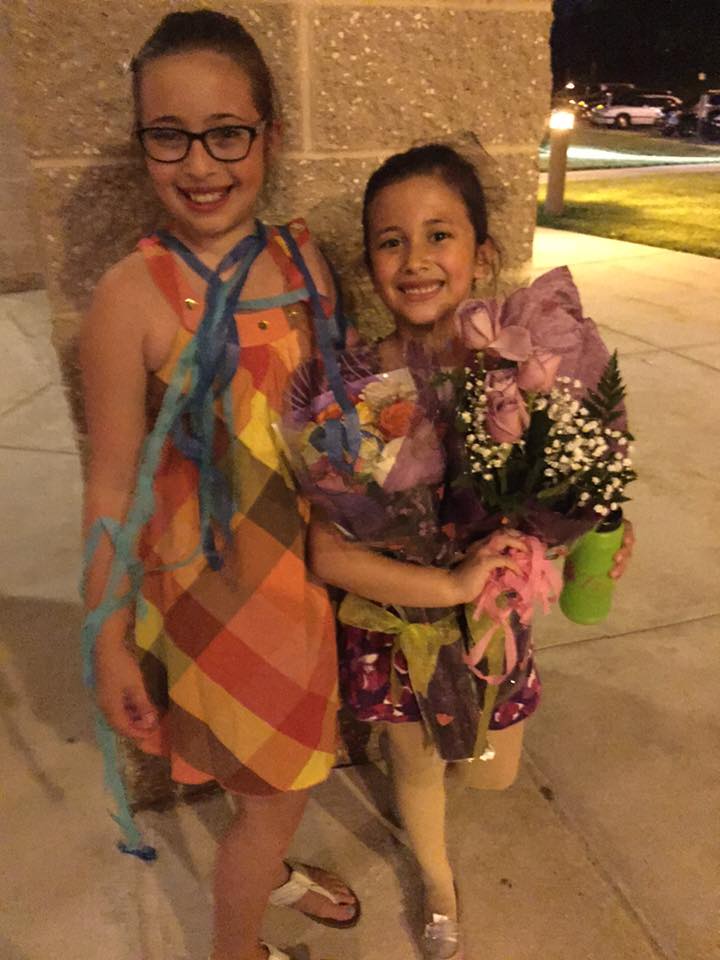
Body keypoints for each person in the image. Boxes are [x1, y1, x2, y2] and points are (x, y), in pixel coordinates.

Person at [293, 144, 635, 960]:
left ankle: (448, 784)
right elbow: (327, 554)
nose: (415, 261)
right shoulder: (354, 393)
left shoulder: (528, 367)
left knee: (489, 769)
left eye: (438, 235)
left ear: (481, 250)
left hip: (494, 627)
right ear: (370, 258)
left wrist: (599, 526)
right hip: (405, 628)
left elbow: (589, 469)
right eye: (390, 240)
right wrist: (448, 583)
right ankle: (437, 878)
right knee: (416, 768)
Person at [80, 11, 362, 960]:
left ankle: (268, 867)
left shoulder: (301, 260)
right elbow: (112, 487)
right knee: (276, 802)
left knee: (271, 783)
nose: (200, 164)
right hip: (220, 607)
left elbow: (332, 420)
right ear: (142, 144)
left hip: (307, 591)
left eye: (226, 133)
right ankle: (238, 942)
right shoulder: (131, 296)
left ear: (269, 137)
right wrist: (108, 638)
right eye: (169, 136)